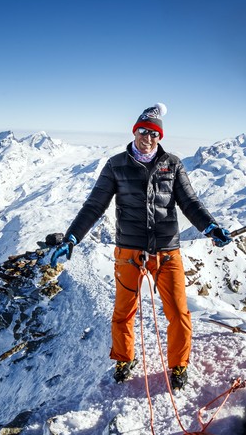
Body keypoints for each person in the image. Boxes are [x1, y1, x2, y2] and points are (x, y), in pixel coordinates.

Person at [50, 103, 231, 391]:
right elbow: (94, 206)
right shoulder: (115, 165)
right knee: (124, 312)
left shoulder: (173, 164)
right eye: (143, 131)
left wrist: (209, 226)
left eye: (154, 134)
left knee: (179, 313)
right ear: (134, 131)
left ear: (160, 137)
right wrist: (73, 237)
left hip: (166, 249)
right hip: (129, 250)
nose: (148, 137)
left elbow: (190, 203)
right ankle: (123, 359)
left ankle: (179, 365)